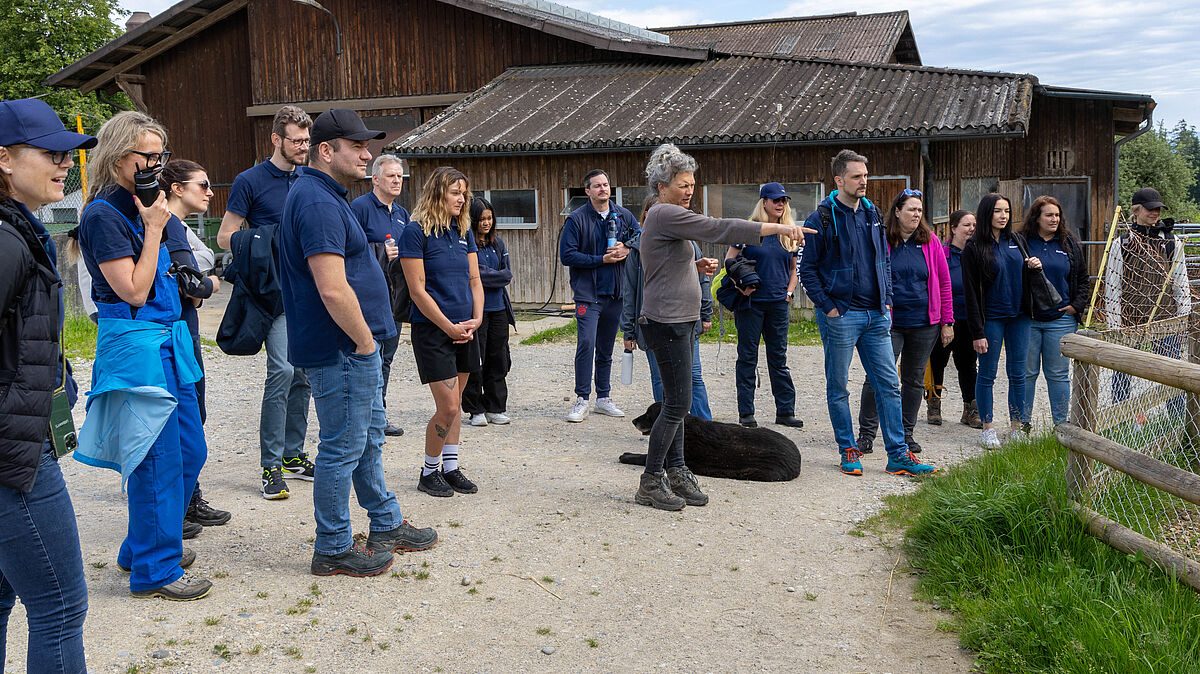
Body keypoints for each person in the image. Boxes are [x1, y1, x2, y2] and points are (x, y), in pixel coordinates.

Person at [277, 109, 437, 577]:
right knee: (341, 447)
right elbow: (331, 286)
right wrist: (366, 342)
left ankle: (384, 523)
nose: (368, 154)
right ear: (327, 151)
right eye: (357, 146)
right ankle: (332, 546)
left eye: (368, 145)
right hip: (342, 348)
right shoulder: (318, 202)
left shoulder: (324, 195)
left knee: (365, 440)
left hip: (351, 347)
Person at [74, 111, 212, 600]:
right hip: (136, 344)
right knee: (156, 458)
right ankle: (156, 570)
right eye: (146, 157)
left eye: (161, 156)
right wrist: (154, 228)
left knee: (190, 448)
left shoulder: (148, 204)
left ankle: (145, 545)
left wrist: (160, 221)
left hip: (170, 340)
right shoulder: (102, 215)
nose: (156, 166)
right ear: (116, 158)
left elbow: (185, 273)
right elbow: (133, 289)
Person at [636, 143, 809, 510]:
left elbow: (660, 263)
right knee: (677, 404)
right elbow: (718, 227)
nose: (690, 190)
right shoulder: (664, 212)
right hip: (665, 322)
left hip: (679, 320)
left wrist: (693, 268)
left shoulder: (667, 215)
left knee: (678, 404)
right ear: (662, 186)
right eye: (683, 184)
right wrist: (777, 226)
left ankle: (679, 471)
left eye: (692, 184)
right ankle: (651, 480)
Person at [0, 97, 93, 671]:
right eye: (50, 152)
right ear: (4, 159)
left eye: (68, 152)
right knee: (59, 607)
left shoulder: (18, 230)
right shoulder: (7, 241)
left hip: (15, 448)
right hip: (15, 460)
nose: (64, 162)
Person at [798, 149, 938, 477]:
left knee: (889, 384)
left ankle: (898, 454)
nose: (864, 181)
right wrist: (829, 307)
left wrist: (886, 301)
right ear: (839, 180)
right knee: (839, 386)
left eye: (866, 175)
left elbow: (884, 260)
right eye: (857, 176)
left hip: (876, 316)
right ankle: (848, 449)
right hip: (841, 315)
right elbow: (807, 269)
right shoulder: (821, 218)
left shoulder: (872, 212)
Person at [218, 105, 315, 499]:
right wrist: (266, 239)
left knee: (305, 375)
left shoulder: (311, 178)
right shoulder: (250, 181)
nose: (304, 147)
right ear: (276, 139)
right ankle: (270, 465)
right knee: (283, 370)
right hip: (273, 294)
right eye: (297, 141)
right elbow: (226, 236)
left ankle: (293, 455)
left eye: (308, 141)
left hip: (311, 291)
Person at [398, 167, 486, 498]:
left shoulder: (463, 232)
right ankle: (428, 470)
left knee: (458, 403)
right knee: (447, 407)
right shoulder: (415, 232)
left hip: (466, 327)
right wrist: (448, 325)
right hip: (434, 330)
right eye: (455, 193)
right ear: (438, 193)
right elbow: (417, 290)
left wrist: (476, 318)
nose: (462, 199)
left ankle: (450, 467)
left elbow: (475, 280)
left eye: (465, 193)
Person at [160, 159, 232, 527]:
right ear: (177, 188)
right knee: (186, 424)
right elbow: (194, 285)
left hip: (180, 329)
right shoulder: (169, 226)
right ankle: (178, 507)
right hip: (174, 332)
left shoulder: (175, 225)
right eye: (202, 185)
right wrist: (213, 284)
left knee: (189, 420)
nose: (209, 192)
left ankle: (185, 501)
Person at [855, 189, 952, 455]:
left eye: (919, 210)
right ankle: (866, 434)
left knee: (913, 380)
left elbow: (944, 282)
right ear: (897, 212)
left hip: (925, 323)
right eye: (911, 209)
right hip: (889, 322)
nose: (916, 214)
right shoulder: (882, 238)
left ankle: (906, 433)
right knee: (877, 378)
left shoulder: (930, 241)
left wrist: (947, 321)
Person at [622, 193, 715, 420]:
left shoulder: (689, 242)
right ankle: (667, 427)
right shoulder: (637, 249)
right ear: (646, 216)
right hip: (653, 323)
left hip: (685, 321)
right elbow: (630, 291)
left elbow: (701, 280)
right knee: (661, 378)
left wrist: (706, 312)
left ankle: (704, 425)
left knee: (693, 376)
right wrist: (628, 329)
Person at [962, 193, 1042, 448]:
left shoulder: (1016, 240)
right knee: (987, 374)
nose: (1003, 216)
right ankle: (987, 428)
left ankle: (1017, 427)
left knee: (1018, 374)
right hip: (991, 319)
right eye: (998, 211)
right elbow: (971, 293)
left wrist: (1033, 266)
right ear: (987, 213)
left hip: (1019, 316)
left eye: (1007, 211)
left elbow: (1024, 276)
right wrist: (977, 332)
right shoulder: (974, 247)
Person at [559, 169, 636, 422]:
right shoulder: (576, 220)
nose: (603, 189)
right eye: (597, 186)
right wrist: (600, 259)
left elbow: (641, 236)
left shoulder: (623, 215)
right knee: (586, 344)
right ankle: (582, 399)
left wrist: (626, 246)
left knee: (605, 348)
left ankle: (603, 398)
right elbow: (567, 256)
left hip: (615, 294)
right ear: (587, 191)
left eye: (606, 184)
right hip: (588, 295)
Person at [1103, 187, 1192, 405]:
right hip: (1129, 320)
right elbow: (1113, 287)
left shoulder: (1172, 242)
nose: (1155, 213)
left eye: (1158, 209)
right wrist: (1114, 324)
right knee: (1122, 372)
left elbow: (1182, 284)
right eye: (1150, 209)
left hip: (1166, 319)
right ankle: (1122, 418)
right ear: (1136, 210)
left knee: (1172, 373)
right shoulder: (1122, 244)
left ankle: (1176, 420)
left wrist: (1183, 320)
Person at [726, 182, 804, 429]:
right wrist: (739, 284)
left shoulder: (789, 232)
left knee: (778, 358)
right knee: (748, 358)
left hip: (778, 304)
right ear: (764, 202)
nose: (780, 204)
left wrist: (789, 294)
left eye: (783, 200)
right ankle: (746, 413)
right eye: (775, 200)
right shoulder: (749, 229)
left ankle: (785, 411)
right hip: (751, 304)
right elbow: (729, 260)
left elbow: (794, 268)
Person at [350, 153, 411, 437]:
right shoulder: (359, 208)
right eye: (391, 176)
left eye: (400, 176)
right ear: (375, 179)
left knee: (387, 358)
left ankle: (380, 415)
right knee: (368, 357)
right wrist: (379, 249)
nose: (397, 180)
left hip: (394, 298)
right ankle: (365, 418)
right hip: (366, 299)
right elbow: (349, 250)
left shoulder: (401, 214)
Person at [1019, 196, 1088, 426]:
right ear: (1036, 217)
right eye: (1049, 215)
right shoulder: (1022, 242)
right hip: (1028, 319)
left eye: (1057, 215)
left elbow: (1082, 279)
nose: (1054, 219)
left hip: (1060, 319)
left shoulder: (1068, 243)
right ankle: (1023, 424)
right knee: (1026, 374)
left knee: (1058, 374)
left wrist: (1076, 306)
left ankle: (1060, 424)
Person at [926, 210, 983, 428]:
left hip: (969, 318)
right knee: (938, 361)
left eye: (974, 225)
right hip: (944, 318)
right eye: (966, 225)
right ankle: (934, 404)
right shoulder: (942, 252)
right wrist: (942, 321)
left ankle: (970, 408)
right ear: (953, 228)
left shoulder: (977, 253)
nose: (971, 229)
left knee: (968, 364)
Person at [462, 196, 515, 426]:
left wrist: (485, 275)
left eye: (489, 218)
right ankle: (475, 409)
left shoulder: (498, 244)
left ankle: (496, 406)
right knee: (476, 360)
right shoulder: (467, 244)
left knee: (498, 359)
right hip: (477, 311)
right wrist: (488, 276)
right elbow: (473, 275)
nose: (486, 223)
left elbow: (507, 275)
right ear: (473, 220)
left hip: (499, 309)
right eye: (482, 219)